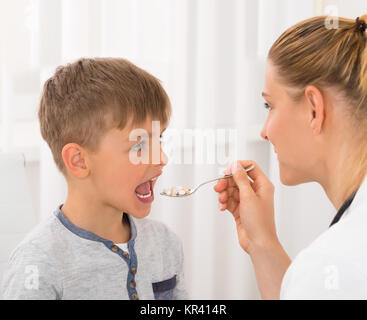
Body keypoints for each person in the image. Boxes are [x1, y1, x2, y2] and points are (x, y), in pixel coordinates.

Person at [1, 58, 187, 300]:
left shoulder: (165, 244)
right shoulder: (38, 264)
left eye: (159, 139)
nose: (161, 157)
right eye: (139, 144)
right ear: (79, 161)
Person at [215, 14, 367, 299]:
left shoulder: (334, 263)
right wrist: (262, 242)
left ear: (313, 109)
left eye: (268, 105)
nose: (264, 132)